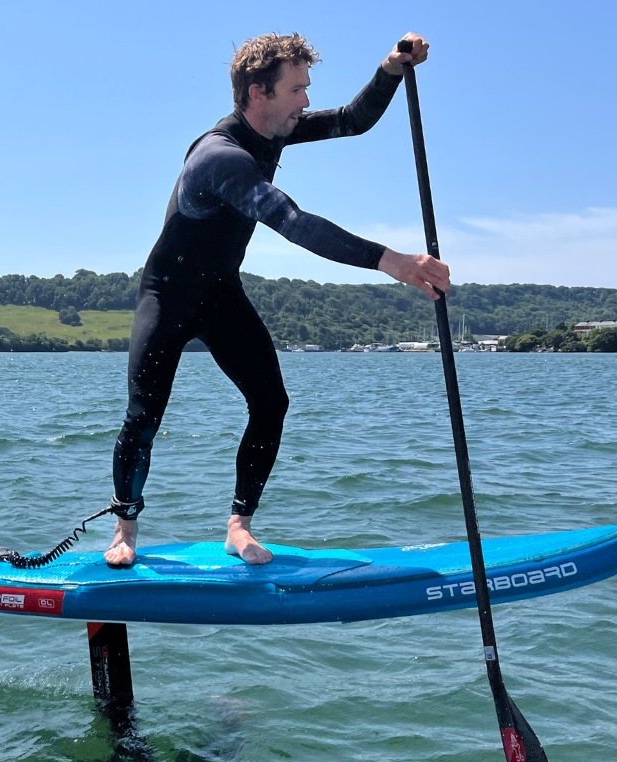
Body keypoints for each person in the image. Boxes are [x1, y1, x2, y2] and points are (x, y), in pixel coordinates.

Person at [105, 32, 450, 567]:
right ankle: (124, 528)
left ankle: (238, 526)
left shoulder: (274, 130)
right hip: (168, 294)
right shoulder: (219, 156)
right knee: (144, 416)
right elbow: (291, 220)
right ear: (258, 93)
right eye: (297, 89)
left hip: (220, 292)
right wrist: (393, 262)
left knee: (271, 403)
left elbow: (352, 120)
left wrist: (390, 69)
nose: (306, 100)